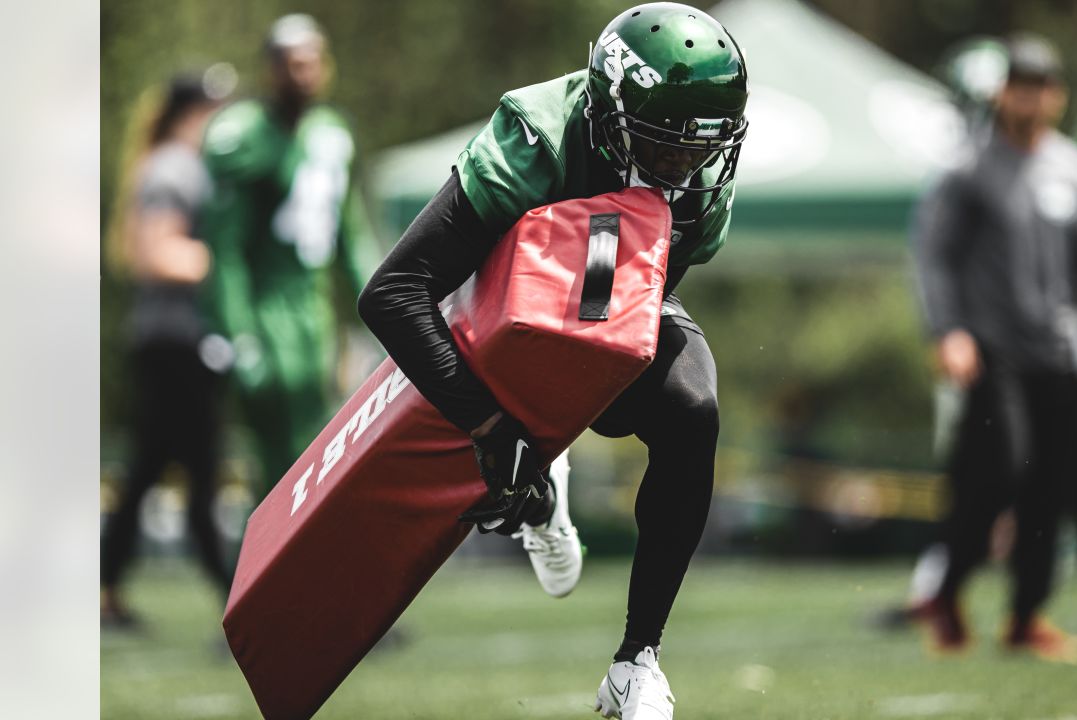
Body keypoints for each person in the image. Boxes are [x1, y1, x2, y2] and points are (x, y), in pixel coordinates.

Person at [358, 4, 747, 717]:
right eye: (665, 148)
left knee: (694, 411)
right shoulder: (538, 136)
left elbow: (628, 313)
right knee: (507, 457)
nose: (685, 166)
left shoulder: (699, 187)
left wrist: (560, 418)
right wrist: (490, 426)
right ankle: (539, 479)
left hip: (606, 292)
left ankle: (637, 661)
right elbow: (394, 294)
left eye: (700, 148)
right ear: (611, 113)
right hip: (497, 320)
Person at [876, 36, 1077, 632]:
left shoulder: (1074, 169)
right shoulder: (968, 168)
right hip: (993, 350)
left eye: (1040, 87)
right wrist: (948, 330)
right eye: (1019, 86)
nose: (1029, 99)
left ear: (1057, 96)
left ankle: (1027, 615)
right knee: (998, 471)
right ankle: (948, 591)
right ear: (1004, 93)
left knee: (1056, 481)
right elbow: (935, 255)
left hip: (1060, 351)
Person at [201, 14, 381, 495]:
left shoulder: (331, 131)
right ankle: (263, 565)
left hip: (314, 307)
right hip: (266, 304)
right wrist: (237, 330)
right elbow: (226, 249)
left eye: (313, 62)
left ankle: (312, 564)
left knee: (317, 444)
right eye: (293, 64)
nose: (305, 74)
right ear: (271, 69)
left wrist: (386, 305)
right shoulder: (245, 134)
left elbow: (351, 234)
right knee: (276, 458)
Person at [101, 66, 238, 627]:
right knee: (202, 467)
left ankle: (104, 587)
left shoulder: (184, 165)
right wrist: (234, 267)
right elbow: (156, 253)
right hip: (174, 343)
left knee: (149, 468)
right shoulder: (172, 168)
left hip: (177, 341)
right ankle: (233, 595)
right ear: (194, 112)